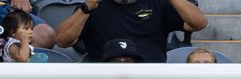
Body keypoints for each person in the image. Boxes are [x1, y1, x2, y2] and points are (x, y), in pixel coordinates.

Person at [54, 0, 206, 64]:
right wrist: (86, 7)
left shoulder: (157, 3)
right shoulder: (93, 6)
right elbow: (62, 40)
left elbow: (199, 23)